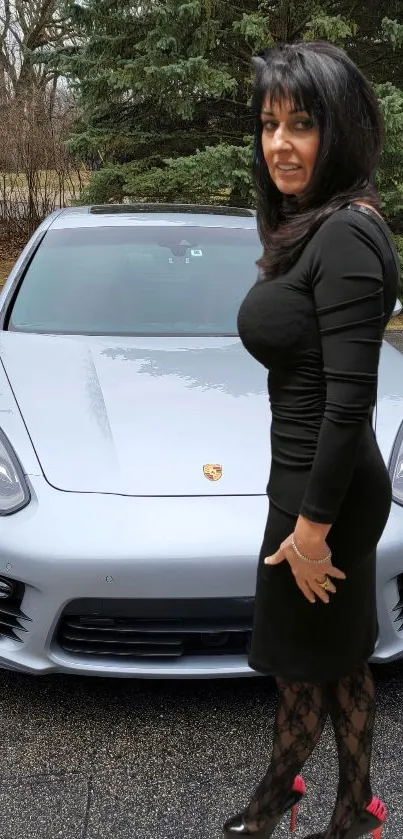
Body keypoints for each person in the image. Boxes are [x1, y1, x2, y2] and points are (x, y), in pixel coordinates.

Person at [223, 41, 399, 839]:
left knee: (302, 664)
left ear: (342, 131)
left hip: (320, 499)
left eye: (301, 124)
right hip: (307, 487)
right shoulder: (312, 226)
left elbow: (347, 401)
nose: (278, 143)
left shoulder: (345, 237)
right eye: (268, 124)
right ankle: (350, 805)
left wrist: (310, 529)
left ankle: (274, 803)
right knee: (332, 660)